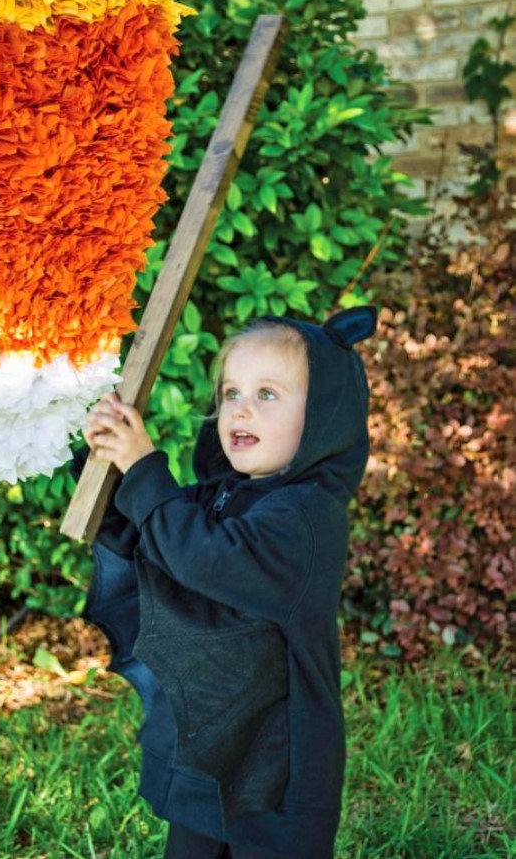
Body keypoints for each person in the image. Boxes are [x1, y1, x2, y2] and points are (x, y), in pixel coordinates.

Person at [79, 305, 377, 859]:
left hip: (279, 767)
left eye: (268, 394)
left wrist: (145, 469)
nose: (240, 407)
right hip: (210, 744)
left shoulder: (308, 517)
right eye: (231, 393)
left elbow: (204, 559)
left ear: (323, 417)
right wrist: (103, 468)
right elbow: (155, 539)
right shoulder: (219, 494)